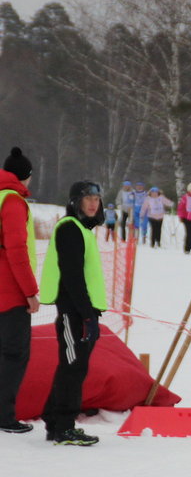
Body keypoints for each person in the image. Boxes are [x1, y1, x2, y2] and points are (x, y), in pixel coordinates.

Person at [37, 181, 108, 446]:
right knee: (73, 369)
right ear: (75, 201)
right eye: (87, 198)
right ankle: (64, 426)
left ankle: (55, 420)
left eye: (97, 199)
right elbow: (72, 276)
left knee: (74, 367)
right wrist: (86, 315)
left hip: (84, 311)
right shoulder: (69, 228)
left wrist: (91, 314)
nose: (93, 203)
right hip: (72, 312)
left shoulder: (84, 230)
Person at [0, 147, 40, 435]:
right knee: (14, 354)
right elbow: (16, 250)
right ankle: (4, 415)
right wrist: (30, 291)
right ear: (24, 177)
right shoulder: (12, 201)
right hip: (9, 292)